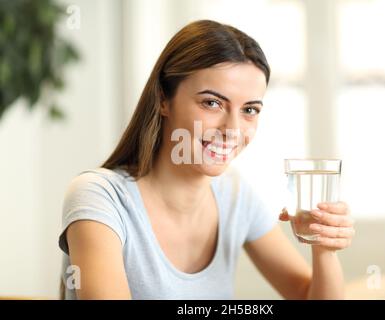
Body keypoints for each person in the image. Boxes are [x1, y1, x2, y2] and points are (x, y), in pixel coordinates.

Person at [58, 19, 355, 300]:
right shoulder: (101, 197)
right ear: (163, 99)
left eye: (249, 110)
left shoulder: (234, 194)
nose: (233, 130)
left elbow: (307, 294)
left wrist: (324, 248)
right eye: (212, 103)